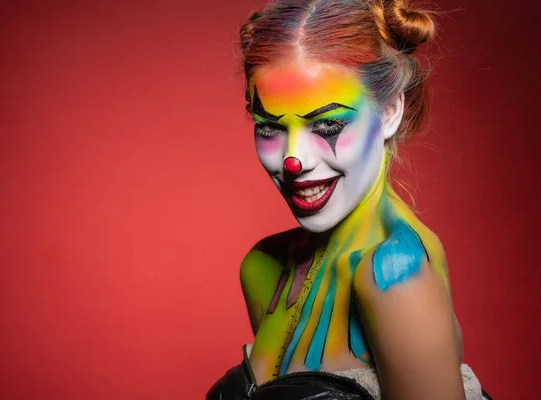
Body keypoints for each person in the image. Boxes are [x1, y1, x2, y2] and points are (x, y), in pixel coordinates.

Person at [208, 0, 491, 399]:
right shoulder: (265, 268)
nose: (294, 160)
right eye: (269, 127)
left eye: (327, 124)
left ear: (391, 110)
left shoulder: (394, 272)